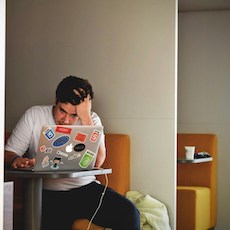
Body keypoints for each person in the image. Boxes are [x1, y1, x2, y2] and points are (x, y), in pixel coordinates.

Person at [4, 76, 140, 230]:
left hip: (86, 190)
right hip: (47, 193)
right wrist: (16, 160)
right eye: (62, 111)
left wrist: (86, 117)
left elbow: (98, 162)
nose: (66, 120)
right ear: (56, 100)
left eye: (74, 115)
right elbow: (8, 153)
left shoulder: (92, 120)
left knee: (129, 213)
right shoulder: (34, 115)